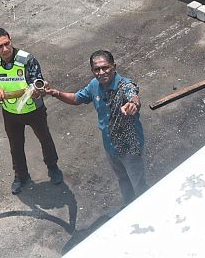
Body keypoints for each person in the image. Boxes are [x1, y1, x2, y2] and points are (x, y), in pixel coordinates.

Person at [46, 49, 147, 205]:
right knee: (123, 179)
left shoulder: (125, 85)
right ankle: (129, 207)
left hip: (130, 148)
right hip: (111, 147)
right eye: (96, 69)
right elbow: (76, 98)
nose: (101, 72)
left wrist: (133, 104)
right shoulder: (94, 85)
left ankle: (145, 211)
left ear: (114, 66)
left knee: (139, 185)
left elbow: (133, 95)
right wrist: (56, 93)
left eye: (105, 67)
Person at [0, 27, 63, 194]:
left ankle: (53, 167)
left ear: (11, 39)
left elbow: (37, 84)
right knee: (15, 145)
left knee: (45, 139)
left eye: (7, 44)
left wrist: (37, 90)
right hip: (10, 113)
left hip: (33, 110)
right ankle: (21, 175)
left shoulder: (27, 60)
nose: (5, 49)